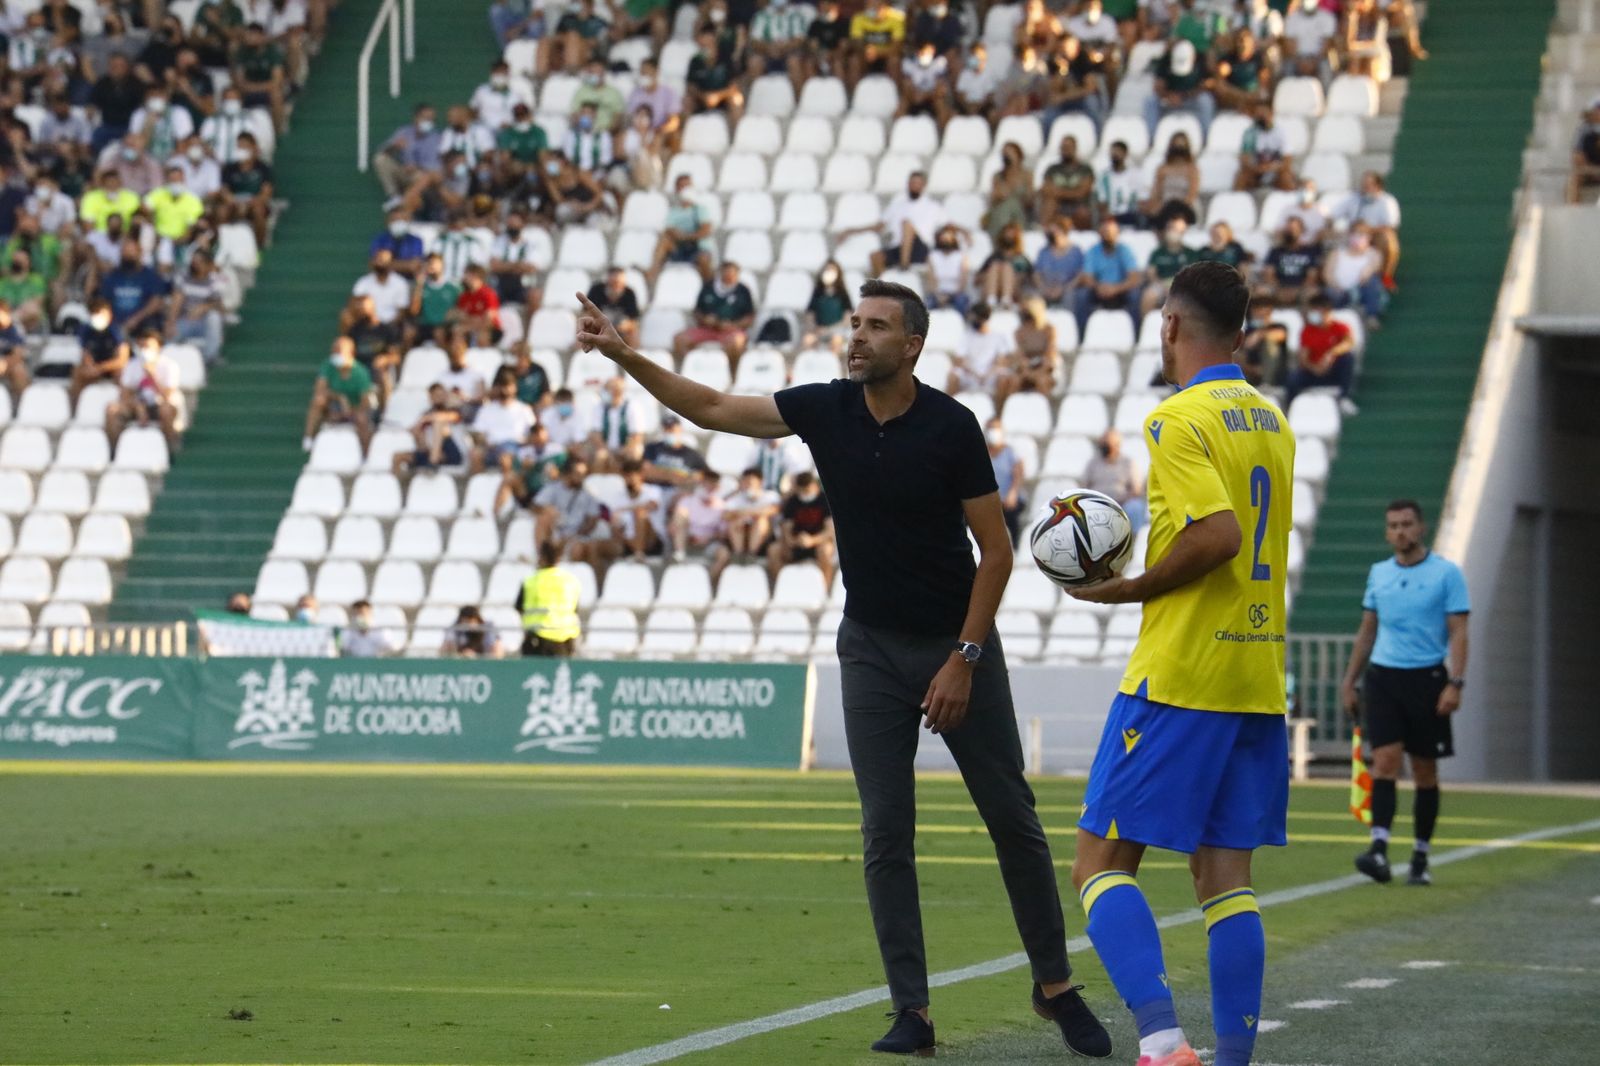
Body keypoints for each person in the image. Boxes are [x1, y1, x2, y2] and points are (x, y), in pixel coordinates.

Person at [572, 279, 1111, 1058]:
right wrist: (625, 354)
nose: (857, 336)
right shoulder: (825, 408)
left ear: (912, 345)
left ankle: (1055, 987)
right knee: (886, 833)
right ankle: (913, 1013)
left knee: (1015, 824)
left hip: (958, 646)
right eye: (854, 323)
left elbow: (995, 553)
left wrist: (964, 658)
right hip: (869, 649)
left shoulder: (951, 427)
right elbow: (716, 408)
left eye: (876, 326)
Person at [1065, 262, 1294, 1066]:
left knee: (1098, 863)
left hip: (1183, 674)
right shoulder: (1271, 419)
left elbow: (1218, 535)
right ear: (1241, 333)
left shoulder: (1176, 420)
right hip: (1258, 676)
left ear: (1170, 326)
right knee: (1225, 879)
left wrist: (1128, 588)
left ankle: (1163, 1044)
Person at [1340, 499, 1470, 888]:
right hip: (1384, 678)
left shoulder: (1446, 573)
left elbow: (1459, 630)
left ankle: (1420, 855)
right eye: (1393, 525)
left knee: (1425, 770)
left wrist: (1456, 681)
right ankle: (1378, 849)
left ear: (1421, 527)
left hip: (1427, 678)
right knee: (1385, 762)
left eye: (1407, 524)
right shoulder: (1379, 574)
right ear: (1386, 532)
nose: (1400, 531)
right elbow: (1368, 630)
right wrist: (1350, 680)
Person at [1282, 294, 1359, 414]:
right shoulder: (1307, 330)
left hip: (1333, 371)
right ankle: (1289, 408)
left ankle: (1344, 399)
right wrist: (1314, 368)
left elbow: (1348, 343)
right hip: (1313, 371)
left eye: (1317, 311)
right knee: (1293, 377)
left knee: (1347, 359)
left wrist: (1331, 354)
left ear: (1327, 312)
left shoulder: (1339, 327)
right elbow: (1303, 356)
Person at [673, 261, 755, 366]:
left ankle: (730, 374)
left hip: (731, 330)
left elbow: (749, 317)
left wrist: (733, 325)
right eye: (726, 273)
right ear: (720, 273)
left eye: (732, 274)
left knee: (737, 343)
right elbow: (697, 312)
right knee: (680, 340)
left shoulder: (743, 291)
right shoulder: (708, 287)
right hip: (708, 329)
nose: (729, 277)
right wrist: (705, 319)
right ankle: (691, 369)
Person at [302, 338, 374, 450]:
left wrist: (351, 412)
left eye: (338, 351)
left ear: (351, 353)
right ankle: (308, 437)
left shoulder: (361, 373)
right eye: (334, 351)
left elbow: (365, 402)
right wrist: (340, 397)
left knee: (363, 419)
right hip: (334, 407)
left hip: (355, 409)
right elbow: (319, 389)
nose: (335, 354)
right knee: (318, 401)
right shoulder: (328, 365)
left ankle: (366, 453)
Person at [517, 540, 582, 657]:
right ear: (559, 558)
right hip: (565, 639)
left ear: (541, 557)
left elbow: (519, 607)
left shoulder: (531, 581)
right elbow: (575, 609)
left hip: (537, 640)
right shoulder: (571, 581)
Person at [723, 467, 781, 566]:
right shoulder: (737, 498)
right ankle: (738, 554)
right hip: (742, 535)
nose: (747, 484)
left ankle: (752, 554)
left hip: (765, 539)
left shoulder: (770, 496)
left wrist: (745, 513)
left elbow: (773, 510)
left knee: (761, 521)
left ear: (760, 482)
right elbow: (725, 515)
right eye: (745, 481)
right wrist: (743, 516)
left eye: (750, 482)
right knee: (735, 522)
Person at [986, 419, 1027, 547]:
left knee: (1010, 515)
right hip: (989, 502)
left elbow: (1018, 473)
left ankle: (1015, 547)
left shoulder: (1010, 452)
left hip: (1008, 501)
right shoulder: (981, 453)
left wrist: (1012, 494)